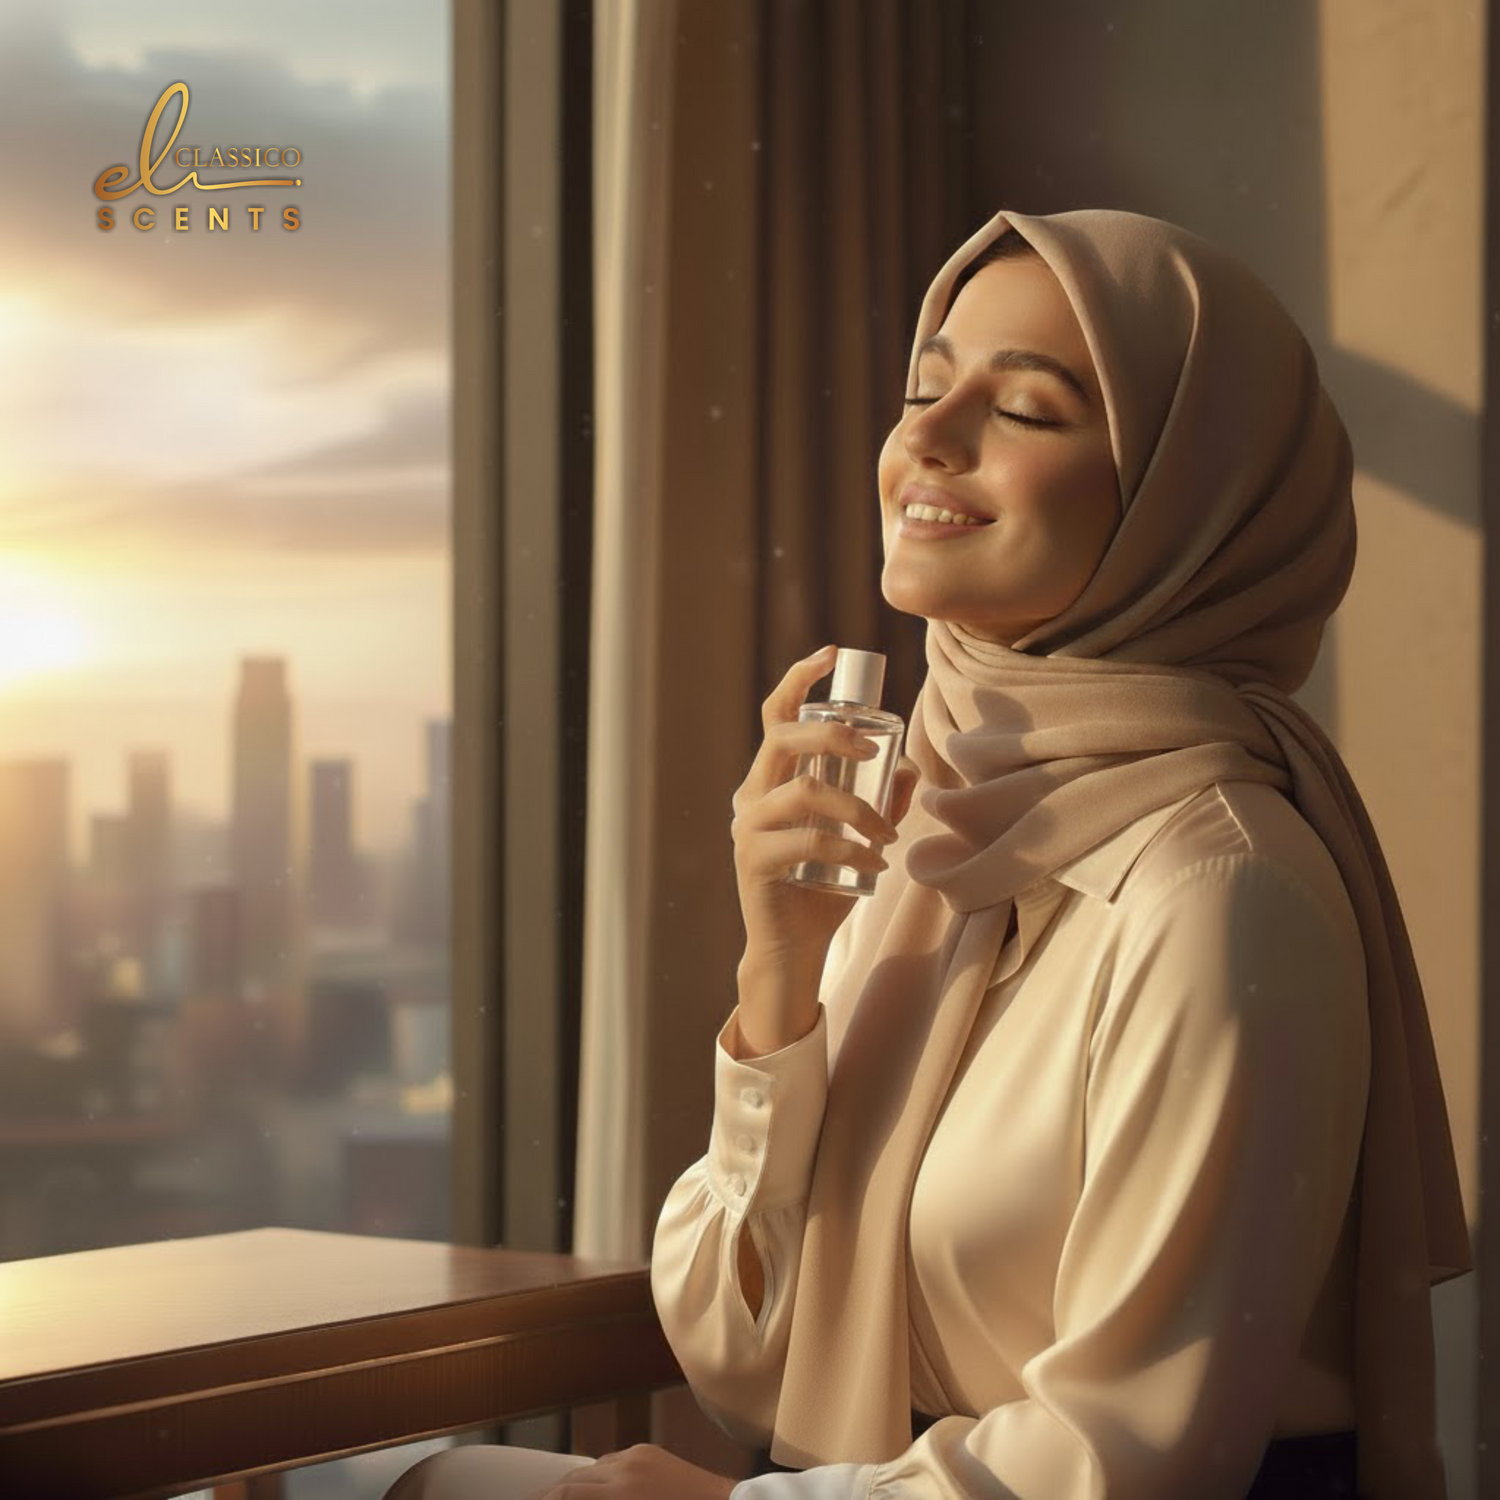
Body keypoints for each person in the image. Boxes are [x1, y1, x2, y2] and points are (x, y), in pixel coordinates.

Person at [382, 208, 1471, 1500]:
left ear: (1187, 498)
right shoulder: (941, 829)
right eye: (925, 387)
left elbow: (1129, 1459)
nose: (926, 442)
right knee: (440, 1486)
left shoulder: (1220, 893)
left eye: (1024, 409)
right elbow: (737, 1348)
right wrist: (777, 988)